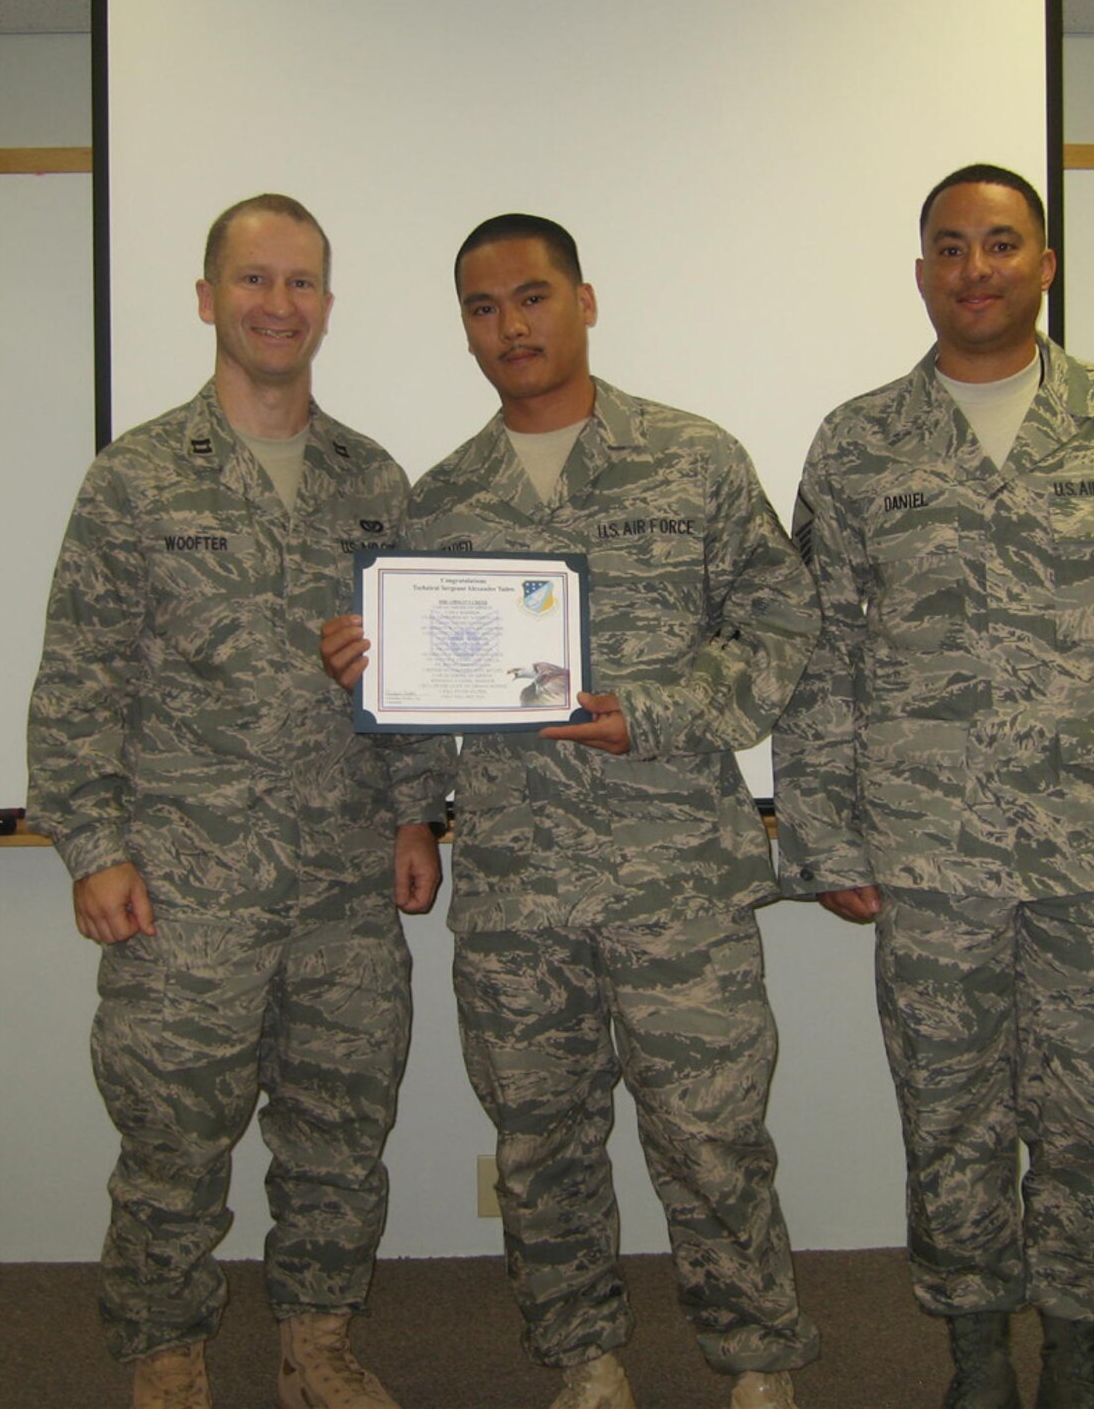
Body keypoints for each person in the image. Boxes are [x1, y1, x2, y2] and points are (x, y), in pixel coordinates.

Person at [772, 165, 1094, 1409]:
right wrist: (824, 834)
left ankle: (1079, 1358)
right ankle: (976, 1357)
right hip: (928, 857)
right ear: (922, 269)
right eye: (949, 246)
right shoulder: (857, 441)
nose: (974, 268)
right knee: (949, 1122)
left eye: (1001, 244)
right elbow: (817, 651)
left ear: (1044, 264)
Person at [322, 214, 822, 1409]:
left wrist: (647, 710)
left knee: (710, 1141)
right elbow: (418, 716)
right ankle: (584, 1358)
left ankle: (754, 1363)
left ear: (585, 302)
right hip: (517, 888)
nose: (511, 328)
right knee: (540, 1146)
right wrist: (372, 674)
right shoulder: (441, 502)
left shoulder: (691, 460)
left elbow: (780, 631)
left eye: (532, 298)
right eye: (482, 309)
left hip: (676, 881)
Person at [29, 195, 448, 1409]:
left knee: (338, 1135)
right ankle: (164, 1356)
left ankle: (316, 1345)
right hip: (184, 891)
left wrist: (416, 812)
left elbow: (413, 678)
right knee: (172, 1143)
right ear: (209, 299)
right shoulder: (137, 480)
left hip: (342, 891)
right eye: (254, 281)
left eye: (302, 282)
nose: (279, 304)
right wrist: (91, 848)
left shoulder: (374, 482)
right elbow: (77, 678)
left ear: (327, 303)